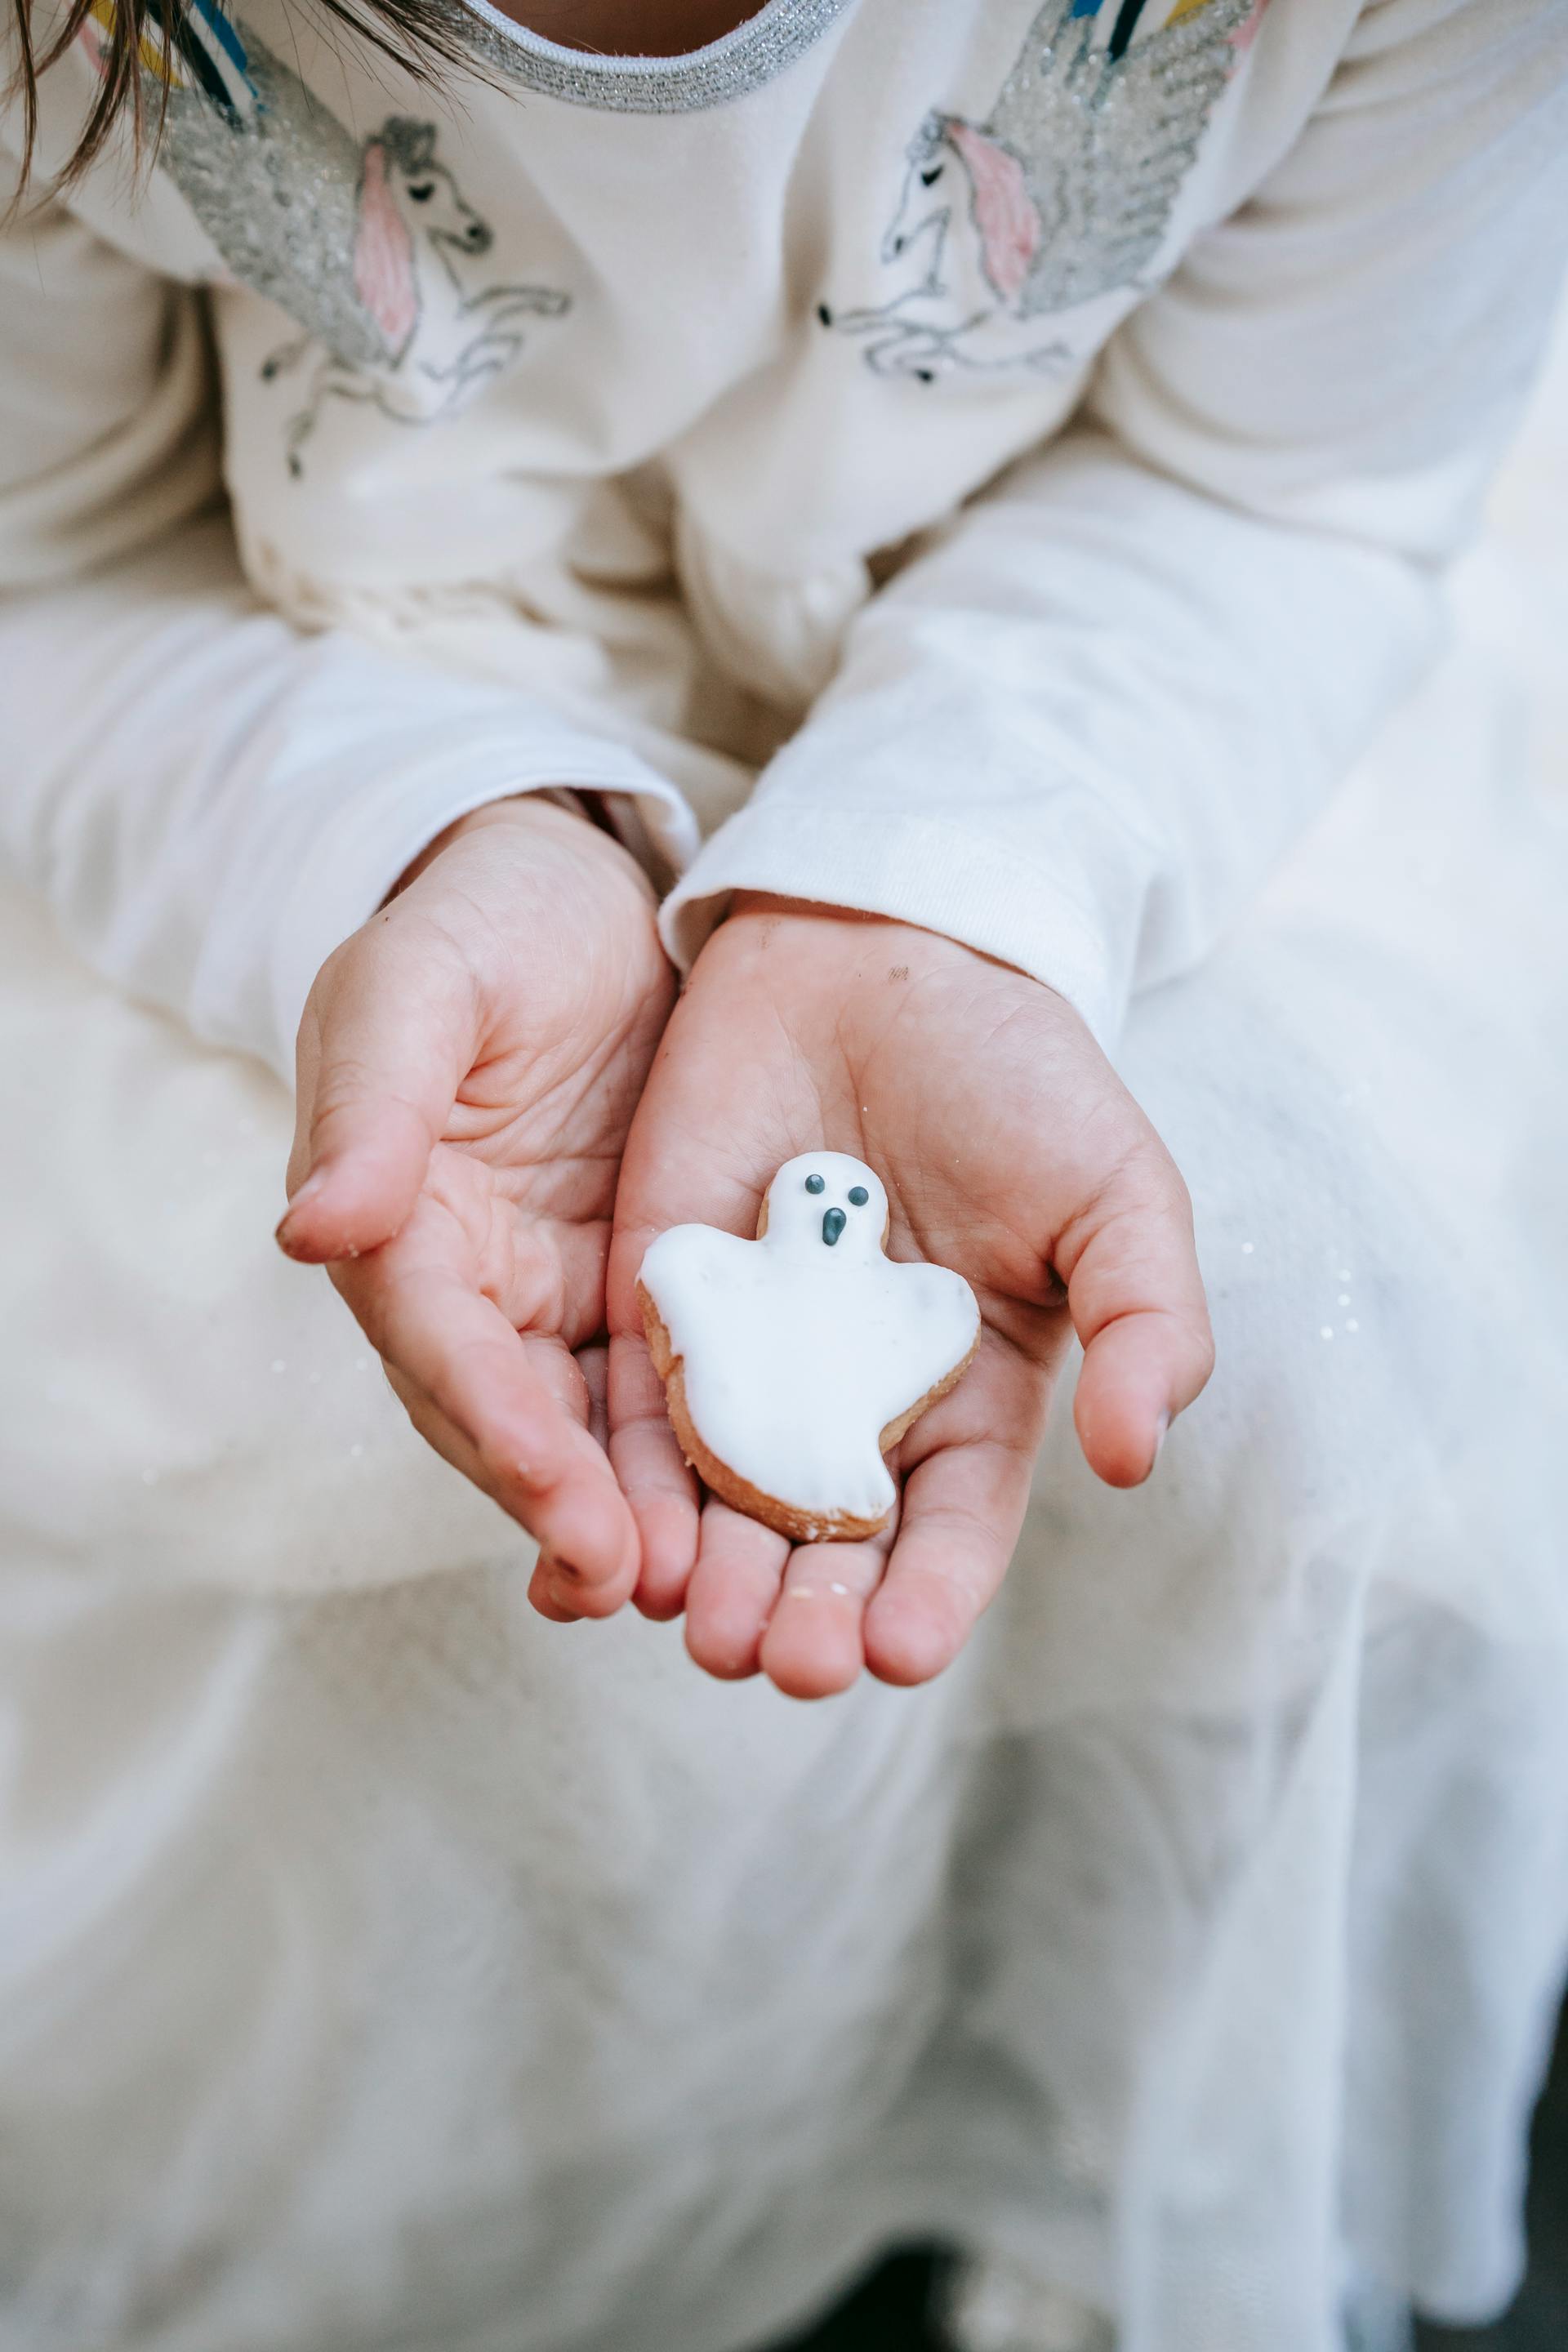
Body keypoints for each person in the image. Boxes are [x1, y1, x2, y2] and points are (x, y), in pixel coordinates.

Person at [2, 2, 1567, 2346]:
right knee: (258, 1403)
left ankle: (1101, 2116)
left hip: (1109, 691)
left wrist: (939, 887)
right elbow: (54, 571)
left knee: (1288, 1363)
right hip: (294, 721)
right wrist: (432, 832)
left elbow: (1286, 493)